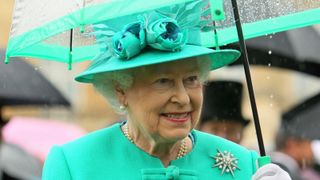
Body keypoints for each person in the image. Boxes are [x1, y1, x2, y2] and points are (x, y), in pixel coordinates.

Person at [42, 1, 291, 179]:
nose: (183, 98)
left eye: (192, 79)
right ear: (120, 89)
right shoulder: (73, 165)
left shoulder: (245, 165)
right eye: (163, 81)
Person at [271, 92, 320, 180]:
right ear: (292, 144)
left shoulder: (268, 168)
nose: (312, 152)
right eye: (309, 143)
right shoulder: (287, 174)